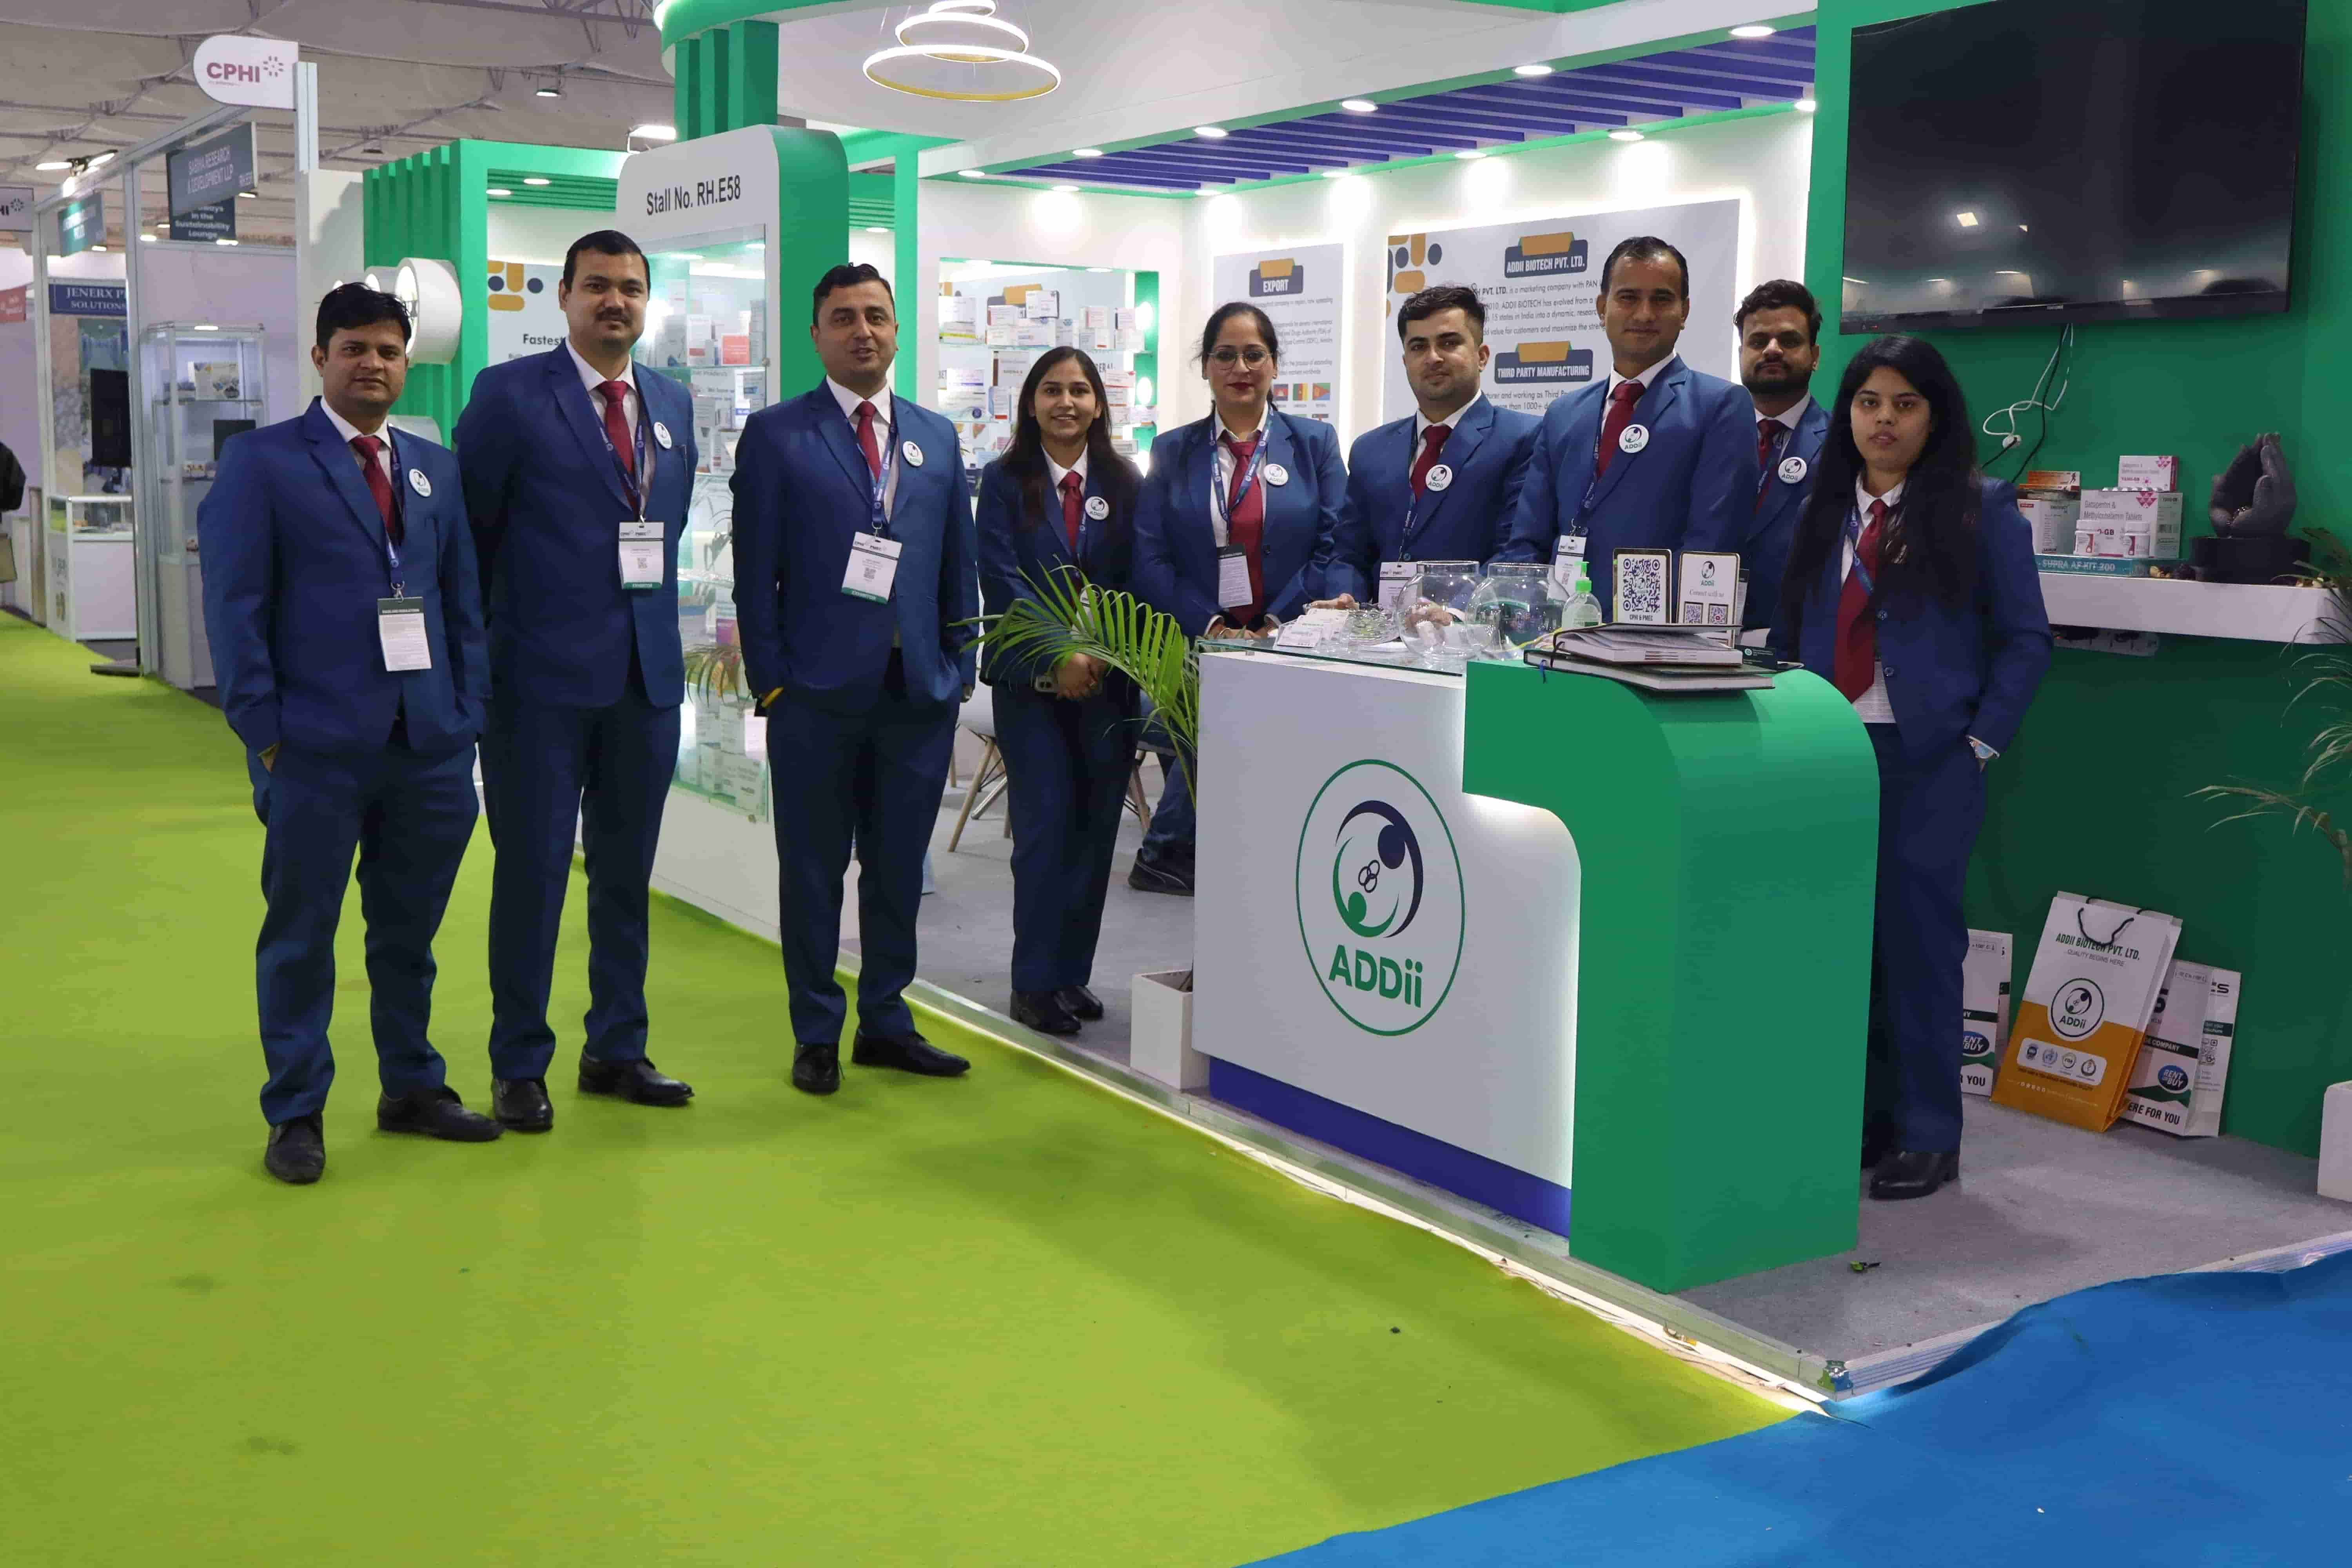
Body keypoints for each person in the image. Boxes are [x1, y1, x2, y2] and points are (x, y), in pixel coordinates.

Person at [198, 283, 499, 1183]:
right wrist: (266, 733)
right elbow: (235, 606)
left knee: (408, 934)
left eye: (389, 350)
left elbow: (462, 602)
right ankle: (295, 1110)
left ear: (408, 363)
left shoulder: (433, 468)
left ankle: (412, 1086)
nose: (374, 363)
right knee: (302, 935)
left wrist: (468, 712)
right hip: (314, 749)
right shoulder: (262, 462)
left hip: (429, 745)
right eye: (355, 347)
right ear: (322, 357)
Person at [1771, 335, 2051, 1201]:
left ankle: (1931, 1135)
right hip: (1826, 753)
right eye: (1868, 403)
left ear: (1935, 416)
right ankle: (1866, 1119)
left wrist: (1981, 744)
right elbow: (1791, 630)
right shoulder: (1821, 508)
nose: (1884, 421)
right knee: (1840, 943)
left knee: (1921, 949)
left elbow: (2027, 639)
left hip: (1929, 759)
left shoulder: (1981, 506)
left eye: (1905, 404)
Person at [456, 229, 699, 1133]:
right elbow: (472, 540)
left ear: (646, 301)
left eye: (630, 287)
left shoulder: (671, 401)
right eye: (597, 286)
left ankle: (617, 1048)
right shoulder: (511, 395)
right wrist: (481, 667)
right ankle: (520, 1061)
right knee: (533, 877)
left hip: (645, 682)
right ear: (563, 296)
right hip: (537, 688)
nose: (615, 302)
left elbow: (665, 528)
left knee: (627, 879)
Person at [731, 263, 978, 1096]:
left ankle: (887, 1020)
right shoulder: (777, 434)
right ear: (817, 335)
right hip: (814, 696)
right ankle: (816, 1030)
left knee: (898, 869)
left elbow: (957, 567)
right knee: (812, 871)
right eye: (843, 318)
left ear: (898, 329)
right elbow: (755, 572)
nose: (862, 331)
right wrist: (772, 683)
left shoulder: (935, 436)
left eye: (876, 315)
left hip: (916, 694)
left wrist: (958, 669)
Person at [1132, 302, 1347, 894]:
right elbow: (1150, 556)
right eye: (1225, 355)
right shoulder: (1172, 451)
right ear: (1205, 366)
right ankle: (1174, 849)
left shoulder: (1315, 444)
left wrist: (1277, 622)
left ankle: (1191, 849)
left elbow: (1334, 542)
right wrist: (1211, 625)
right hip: (1194, 642)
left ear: (1275, 364)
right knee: (1213, 704)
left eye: (1254, 354)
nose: (1240, 368)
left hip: (1292, 637)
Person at [974, 348, 1141, 1037]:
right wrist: (1059, 653)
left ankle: (1072, 973)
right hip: (1033, 683)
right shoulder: (1002, 481)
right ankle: (1034, 982)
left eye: (1079, 390)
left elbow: (1137, 577)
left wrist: (1096, 657)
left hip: (1108, 684)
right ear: (1031, 403)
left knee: (1096, 833)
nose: (1065, 402)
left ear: (1099, 404)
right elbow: (1001, 578)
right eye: (1051, 390)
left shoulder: (1125, 482)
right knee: (1044, 833)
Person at [1495, 236, 1757, 610]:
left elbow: (1710, 548)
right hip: (1556, 630)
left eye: (1662, 299)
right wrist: (1524, 614)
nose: (1644, 314)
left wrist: (1633, 627)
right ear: (1603, 308)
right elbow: (1527, 542)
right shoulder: (1563, 414)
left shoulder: (1721, 406)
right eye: (1628, 298)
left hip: (1653, 636)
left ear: (1684, 311)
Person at [1321, 284, 1539, 606]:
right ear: (1405, 360)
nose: (1433, 358)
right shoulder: (1370, 449)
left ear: (1481, 357)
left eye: (1449, 343)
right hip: (1375, 632)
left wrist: (1454, 612)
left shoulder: (1524, 438)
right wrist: (1345, 599)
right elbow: (1347, 553)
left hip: (1468, 630)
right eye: (1418, 347)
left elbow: (1515, 554)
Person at [1734, 279, 1829, 628]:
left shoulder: (1844, 445)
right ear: (1741, 353)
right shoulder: (1707, 437)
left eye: (1789, 341)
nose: (1772, 350)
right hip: (1701, 636)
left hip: (1797, 639)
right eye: (1758, 341)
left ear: (1815, 356)